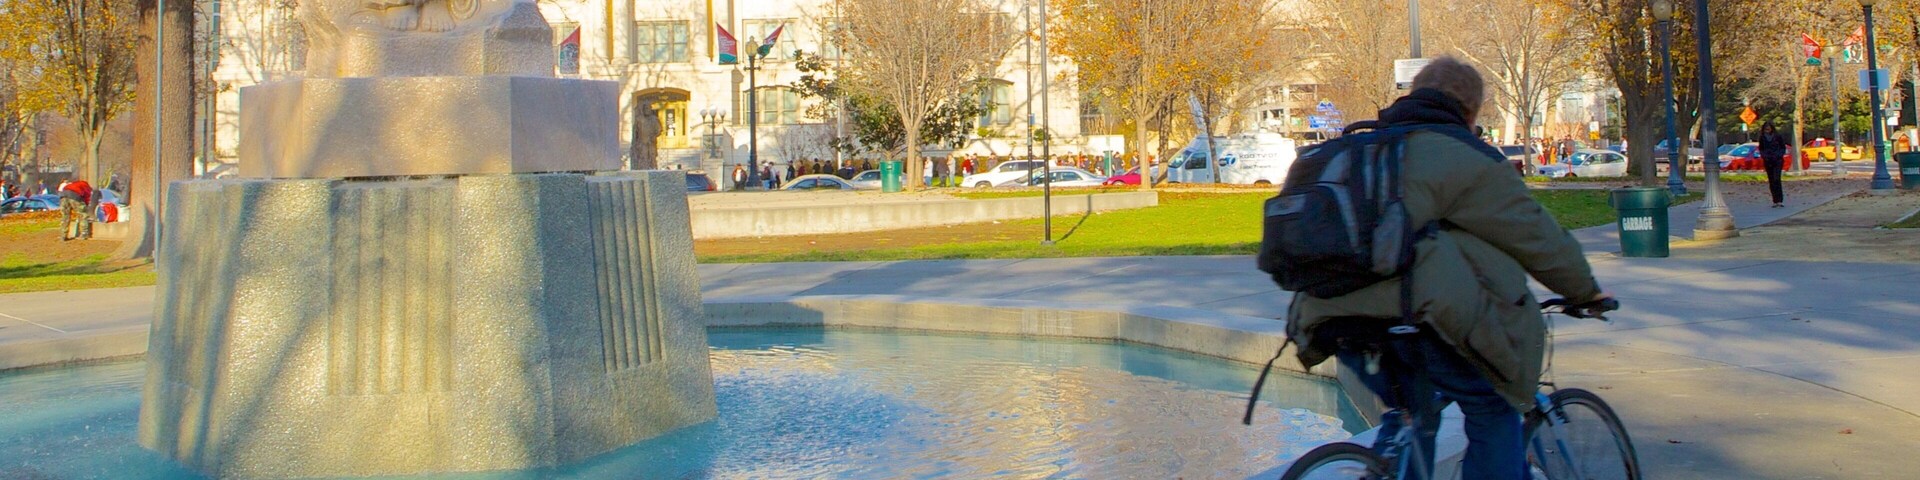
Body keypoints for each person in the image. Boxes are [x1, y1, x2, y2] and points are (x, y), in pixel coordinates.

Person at [1284, 57, 1610, 480]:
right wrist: (1586, 292)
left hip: (1329, 317)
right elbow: (1536, 237)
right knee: (1493, 406)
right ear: (1471, 112)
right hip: (1411, 318)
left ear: (1413, 94)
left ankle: (1383, 468)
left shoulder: (1363, 147)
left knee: (1411, 415)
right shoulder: (1466, 158)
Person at [1757, 122, 1789, 208]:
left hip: (1777, 160)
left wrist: (1779, 155)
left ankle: (1779, 200)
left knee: (1776, 179)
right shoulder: (1762, 138)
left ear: (1772, 128)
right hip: (1768, 161)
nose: (1767, 130)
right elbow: (1761, 149)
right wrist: (1765, 156)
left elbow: (1783, 147)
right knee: (1771, 180)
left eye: (1768, 128)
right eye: (1765, 128)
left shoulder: (1777, 136)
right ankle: (1775, 200)